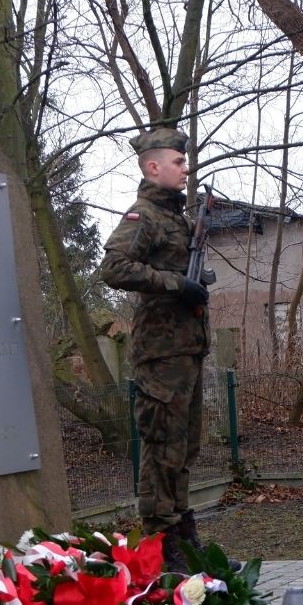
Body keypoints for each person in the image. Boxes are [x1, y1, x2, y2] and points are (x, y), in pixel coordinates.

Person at [98, 125, 209, 567]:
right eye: (178, 162)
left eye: (185, 161)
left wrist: (196, 282)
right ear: (153, 167)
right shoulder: (142, 215)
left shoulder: (176, 218)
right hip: (160, 353)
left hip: (185, 349)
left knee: (184, 449)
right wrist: (175, 283)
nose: (186, 168)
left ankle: (184, 542)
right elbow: (114, 267)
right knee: (162, 447)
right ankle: (160, 547)